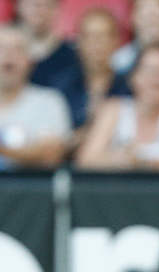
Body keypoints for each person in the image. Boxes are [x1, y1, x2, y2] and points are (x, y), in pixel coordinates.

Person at [76, 41, 159, 169]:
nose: (157, 77)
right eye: (150, 70)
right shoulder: (114, 109)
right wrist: (118, 159)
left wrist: (142, 163)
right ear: (134, 77)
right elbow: (86, 158)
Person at [0, 24, 71, 169]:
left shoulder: (49, 102)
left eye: (18, 49)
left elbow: (51, 155)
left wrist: (3, 151)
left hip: (31, 190)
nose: (9, 55)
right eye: (2, 48)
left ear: (30, 61)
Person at [16, 0, 82, 115]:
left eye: (47, 5)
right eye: (34, 4)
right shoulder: (4, 54)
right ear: (19, 6)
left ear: (57, 9)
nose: (39, 10)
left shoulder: (73, 57)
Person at [71, 7, 132, 130]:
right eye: (90, 36)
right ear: (79, 42)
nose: (97, 43)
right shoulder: (62, 86)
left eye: (103, 36)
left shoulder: (130, 86)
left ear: (116, 41)